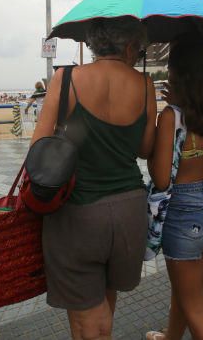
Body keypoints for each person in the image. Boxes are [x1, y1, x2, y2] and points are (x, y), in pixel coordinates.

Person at [31, 18, 156, 340]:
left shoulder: (66, 77)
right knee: (103, 306)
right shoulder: (146, 85)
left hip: (78, 213)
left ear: (93, 43)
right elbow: (145, 149)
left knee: (90, 321)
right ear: (130, 46)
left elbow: (39, 148)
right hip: (129, 210)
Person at [145, 38, 203, 340]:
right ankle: (171, 337)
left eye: (171, 69)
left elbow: (161, 179)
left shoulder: (172, 116)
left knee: (197, 312)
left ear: (180, 75)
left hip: (185, 213)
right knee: (195, 298)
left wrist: (157, 131)